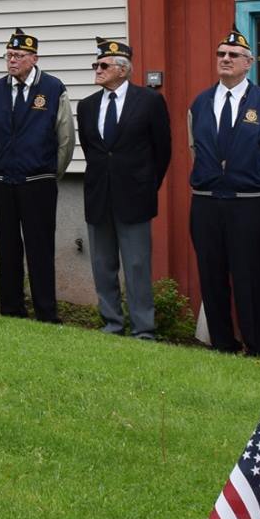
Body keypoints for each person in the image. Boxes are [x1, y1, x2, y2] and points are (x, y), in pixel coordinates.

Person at [186, 27, 260, 355]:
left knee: (249, 278)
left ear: (249, 63)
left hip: (249, 204)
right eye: (221, 55)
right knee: (212, 277)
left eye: (233, 55)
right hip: (207, 204)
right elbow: (195, 148)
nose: (225, 60)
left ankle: (256, 347)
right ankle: (222, 343)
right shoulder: (200, 103)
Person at [75, 38, 173, 340]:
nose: (97, 70)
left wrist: (145, 185)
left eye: (103, 65)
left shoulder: (149, 101)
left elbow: (163, 151)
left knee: (137, 265)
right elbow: (93, 150)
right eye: (96, 65)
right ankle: (111, 324)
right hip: (98, 197)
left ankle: (143, 329)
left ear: (122, 69)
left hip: (135, 198)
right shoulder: (87, 106)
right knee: (103, 266)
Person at [0, 26, 73, 321]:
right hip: (3, 180)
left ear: (33, 58)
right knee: (8, 247)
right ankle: (11, 308)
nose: (12, 61)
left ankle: (46, 312)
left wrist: (49, 173)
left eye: (19, 56)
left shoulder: (52, 88)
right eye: (9, 55)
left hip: (38, 181)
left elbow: (65, 139)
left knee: (40, 247)